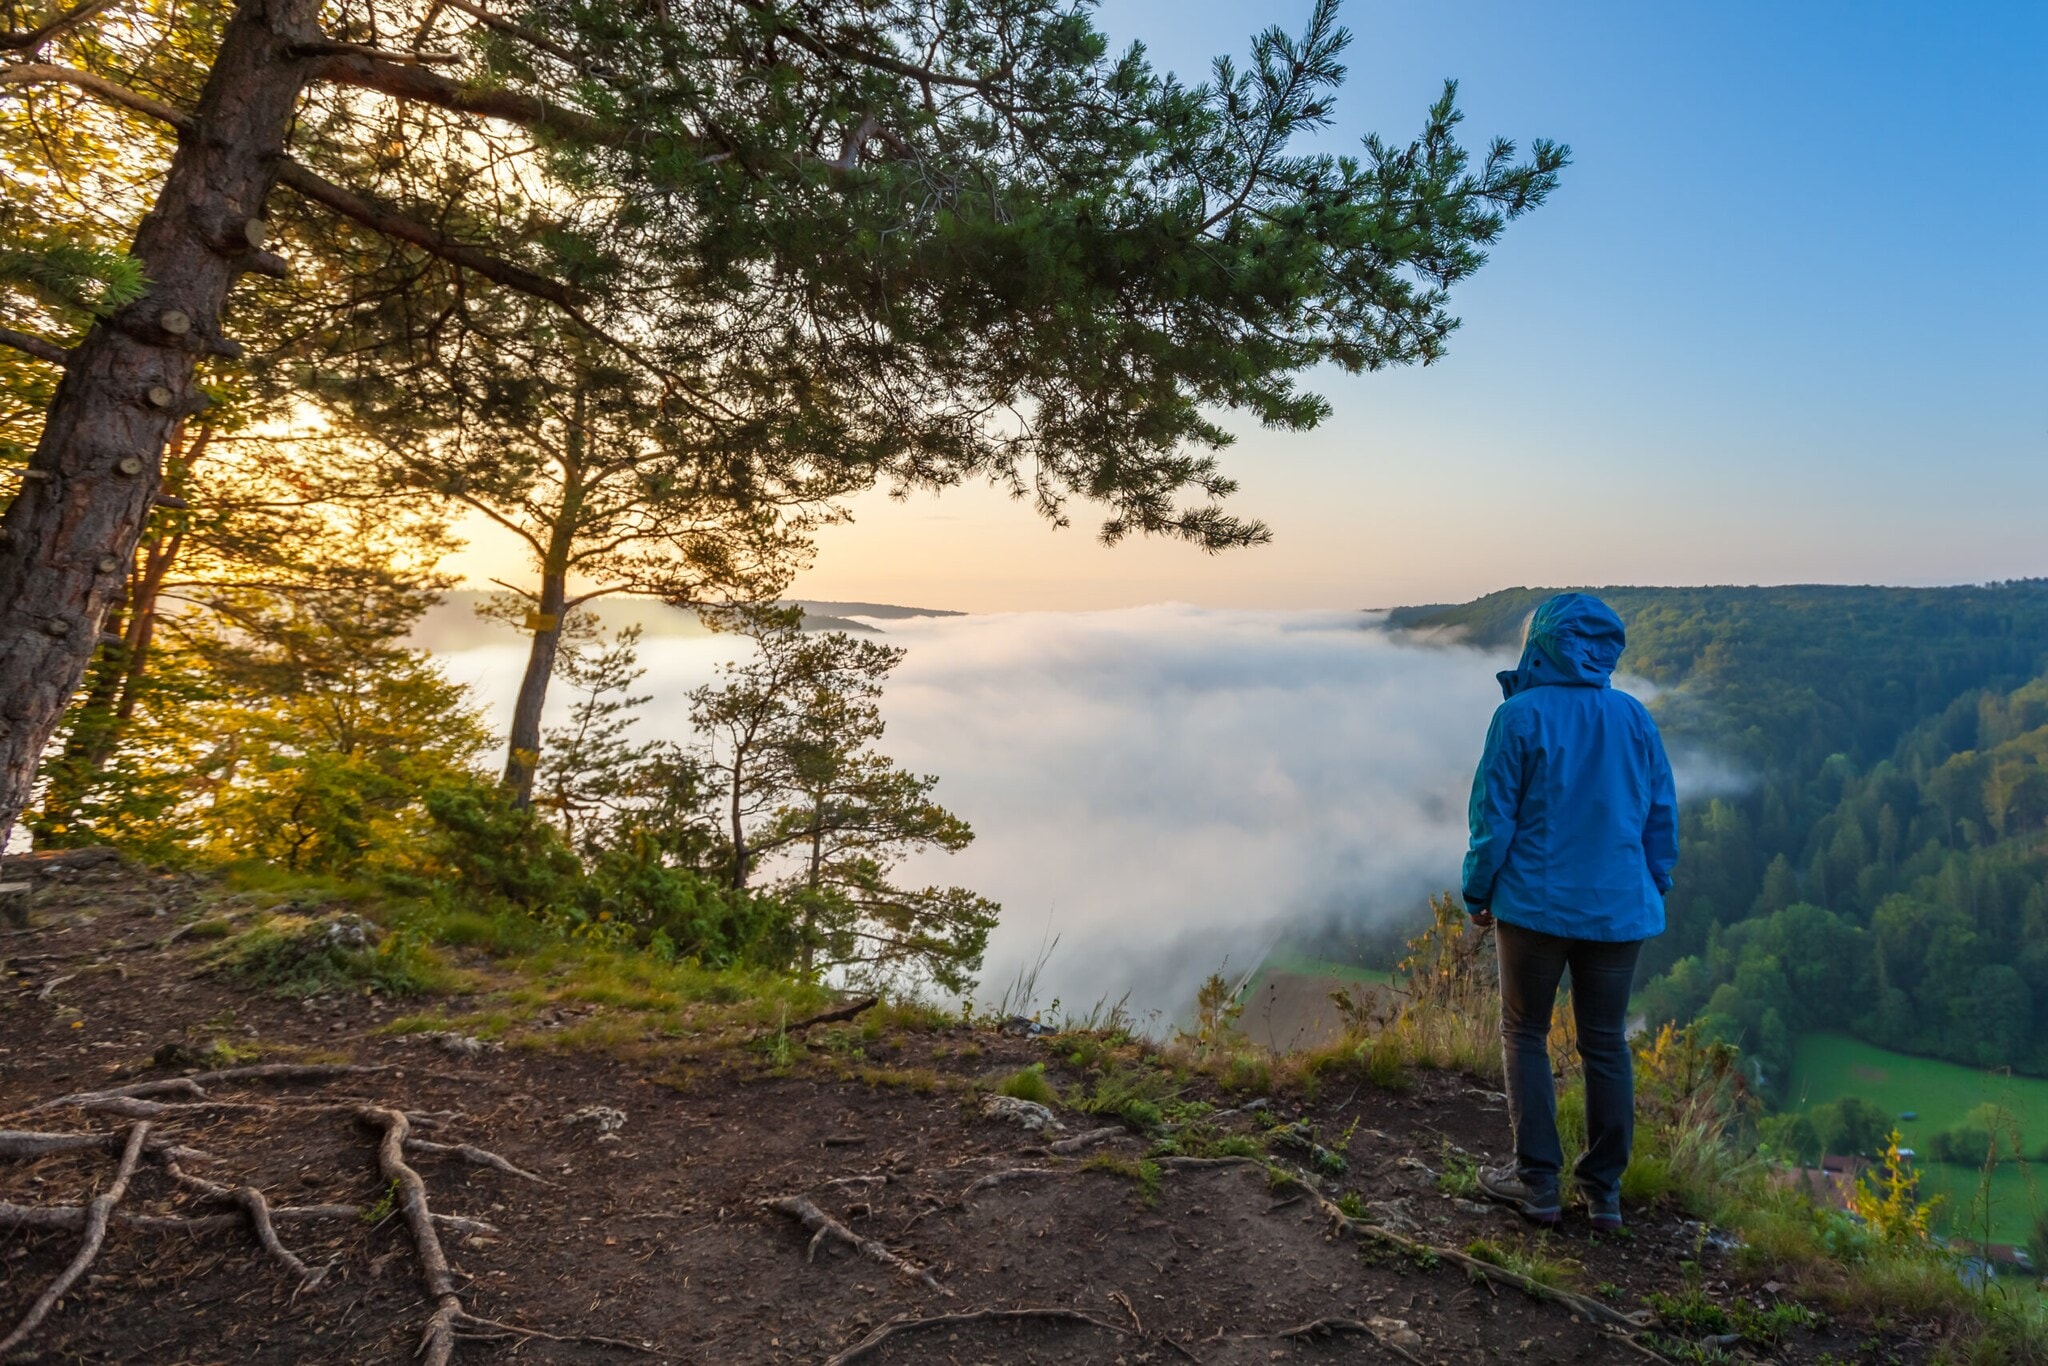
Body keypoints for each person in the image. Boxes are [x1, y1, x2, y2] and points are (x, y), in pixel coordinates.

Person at [1460, 593, 1677, 1232]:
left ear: (1540, 645)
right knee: (1605, 1044)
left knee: (1525, 1033)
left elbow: (1491, 820)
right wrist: (1654, 880)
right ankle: (1603, 1193)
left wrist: (1478, 892)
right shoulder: (1634, 716)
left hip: (1534, 907)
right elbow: (1660, 811)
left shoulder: (1520, 716)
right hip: (1621, 910)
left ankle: (1536, 1184)